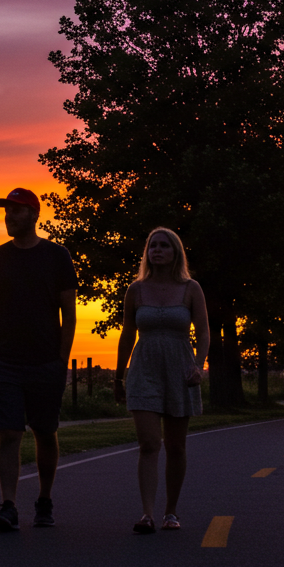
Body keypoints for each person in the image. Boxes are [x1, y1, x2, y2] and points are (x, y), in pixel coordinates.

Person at [0, 187, 77, 532]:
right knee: (8, 432)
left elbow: (69, 313)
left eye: (17, 211)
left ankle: (45, 498)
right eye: (7, 210)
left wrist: (61, 359)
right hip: (4, 361)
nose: (10, 216)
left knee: (45, 431)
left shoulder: (57, 256)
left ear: (34, 215)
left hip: (45, 360)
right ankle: (8, 504)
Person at [113, 229, 208, 534]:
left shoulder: (191, 288)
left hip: (180, 369)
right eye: (152, 246)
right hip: (144, 370)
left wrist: (198, 366)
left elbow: (204, 332)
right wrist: (119, 375)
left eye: (164, 246)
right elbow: (127, 334)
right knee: (149, 443)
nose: (157, 250)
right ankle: (147, 514)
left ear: (176, 252)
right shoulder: (136, 290)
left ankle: (171, 512)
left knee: (176, 447)